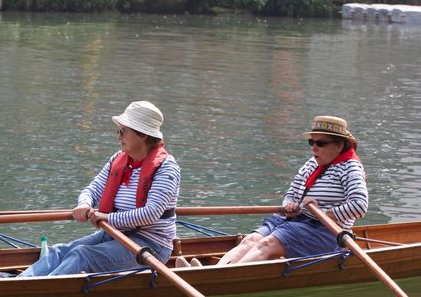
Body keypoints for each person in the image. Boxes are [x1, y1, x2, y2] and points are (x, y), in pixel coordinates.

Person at [19, 101, 180, 276]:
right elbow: (93, 190)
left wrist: (107, 218)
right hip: (116, 234)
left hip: (151, 245)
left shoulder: (166, 169)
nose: (119, 136)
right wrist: (84, 204)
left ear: (143, 135)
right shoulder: (119, 159)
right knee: (59, 251)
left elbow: (150, 213)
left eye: (123, 131)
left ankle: (37, 291)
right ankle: (18, 284)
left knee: (82, 256)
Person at [215, 115, 368, 266]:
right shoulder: (312, 163)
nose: (314, 147)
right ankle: (215, 271)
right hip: (293, 221)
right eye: (311, 142)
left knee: (267, 243)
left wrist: (322, 213)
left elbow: (359, 206)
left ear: (339, 145)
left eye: (320, 143)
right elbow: (291, 194)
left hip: (324, 231)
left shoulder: (350, 168)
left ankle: (216, 279)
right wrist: (289, 206)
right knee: (251, 240)